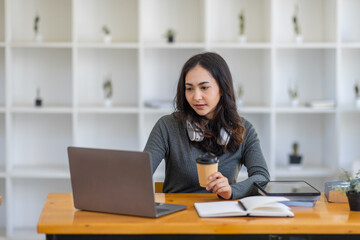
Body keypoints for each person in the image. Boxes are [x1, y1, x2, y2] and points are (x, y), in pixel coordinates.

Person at [144, 52, 270, 200]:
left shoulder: (244, 130)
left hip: (222, 215)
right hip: (177, 216)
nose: (196, 97)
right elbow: (140, 175)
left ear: (222, 88)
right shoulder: (167, 126)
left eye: (204, 87)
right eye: (189, 88)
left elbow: (261, 177)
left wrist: (232, 190)